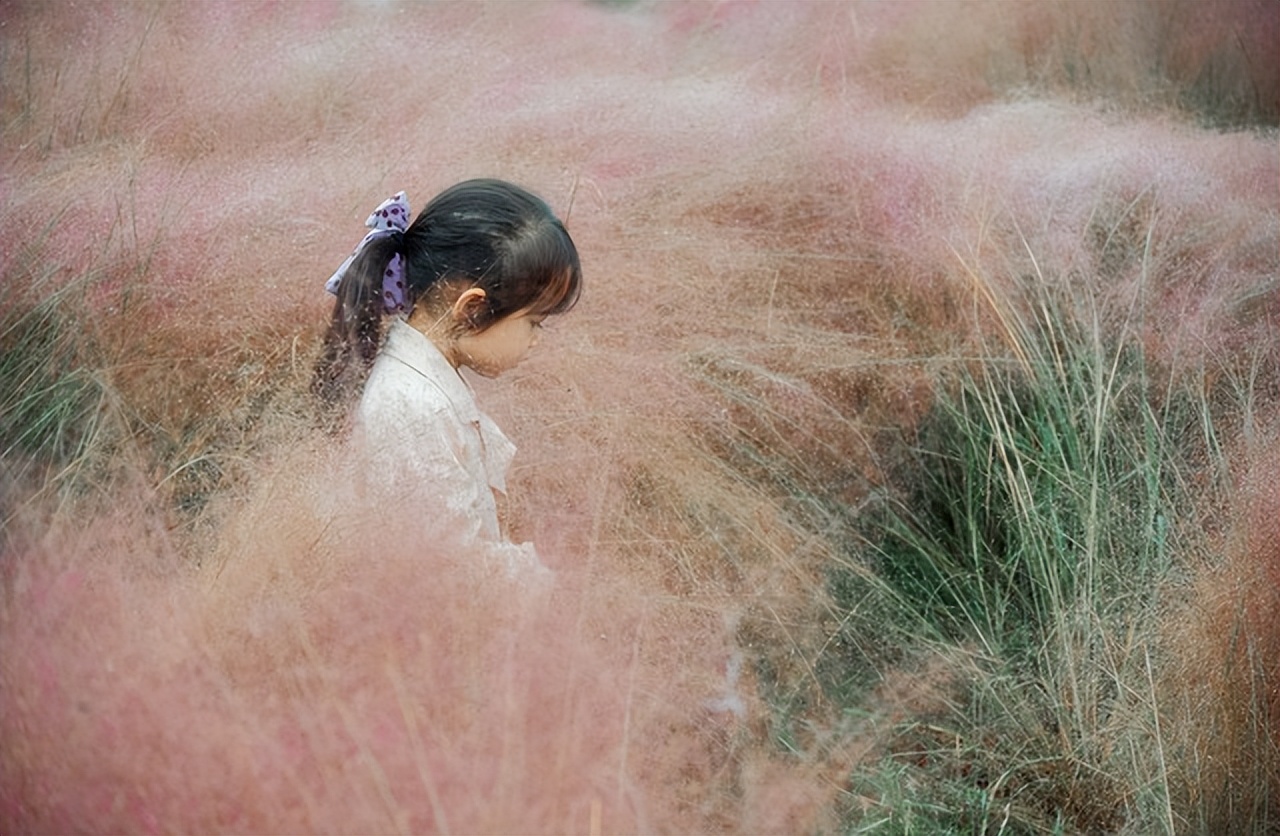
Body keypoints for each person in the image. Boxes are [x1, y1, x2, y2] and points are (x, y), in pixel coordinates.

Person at [313, 179, 581, 581]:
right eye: (534, 322)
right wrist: (546, 578)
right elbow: (452, 573)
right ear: (472, 308)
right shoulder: (414, 407)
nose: (536, 342)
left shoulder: (423, 382)